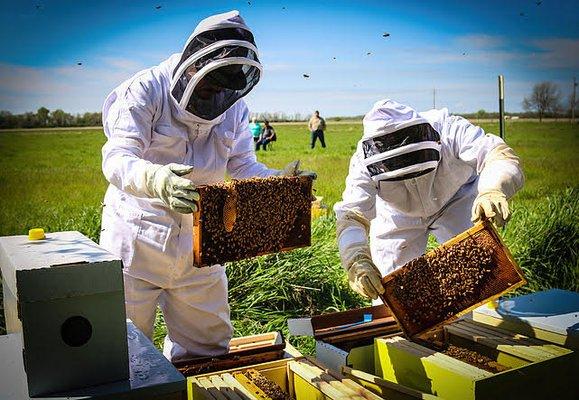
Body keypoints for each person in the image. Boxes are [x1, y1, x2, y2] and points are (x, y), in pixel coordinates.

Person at [99, 10, 315, 362]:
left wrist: (282, 182)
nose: (216, 97)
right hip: (137, 241)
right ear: (191, 68)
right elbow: (117, 157)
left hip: (203, 242)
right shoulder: (145, 90)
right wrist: (155, 179)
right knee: (122, 351)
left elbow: (244, 166)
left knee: (208, 351)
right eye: (210, 87)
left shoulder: (233, 108)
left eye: (223, 90)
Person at [334, 99, 524, 301]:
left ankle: (479, 324)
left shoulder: (449, 128)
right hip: (396, 215)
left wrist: (492, 190)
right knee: (390, 296)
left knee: (481, 277)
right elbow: (352, 215)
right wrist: (356, 260)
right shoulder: (362, 163)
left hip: (457, 199)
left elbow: (498, 155)